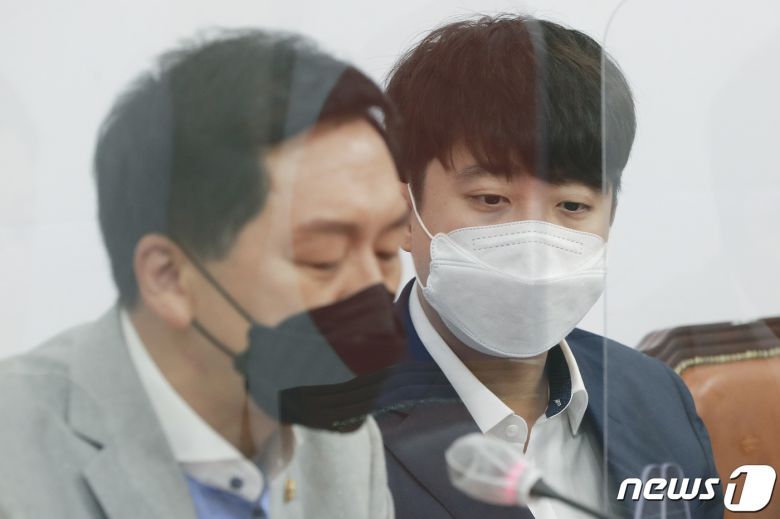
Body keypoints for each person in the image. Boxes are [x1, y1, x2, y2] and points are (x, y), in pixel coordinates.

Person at [0, 30, 410, 518]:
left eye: (387, 249)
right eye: (323, 258)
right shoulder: (17, 459)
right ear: (169, 278)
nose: (373, 288)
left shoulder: (344, 445)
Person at [374, 15, 723, 518]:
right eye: (490, 199)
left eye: (573, 206)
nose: (534, 247)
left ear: (611, 217)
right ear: (402, 213)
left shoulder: (656, 397)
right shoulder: (314, 427)